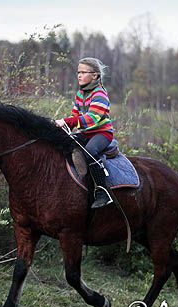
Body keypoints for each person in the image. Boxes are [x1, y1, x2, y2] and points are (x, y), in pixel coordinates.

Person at [55, 57, 114, 209]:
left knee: (90, 151)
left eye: (83, 72)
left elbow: (92, 118)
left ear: (95, 75)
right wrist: (62, 128)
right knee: (63, 144)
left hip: (101, 133)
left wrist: (67, 121)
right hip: (86, 133)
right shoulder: (80, 94)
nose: (79, 75)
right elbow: (75, 116)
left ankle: (102, 191)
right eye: (78, 72)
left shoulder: (100, 94)